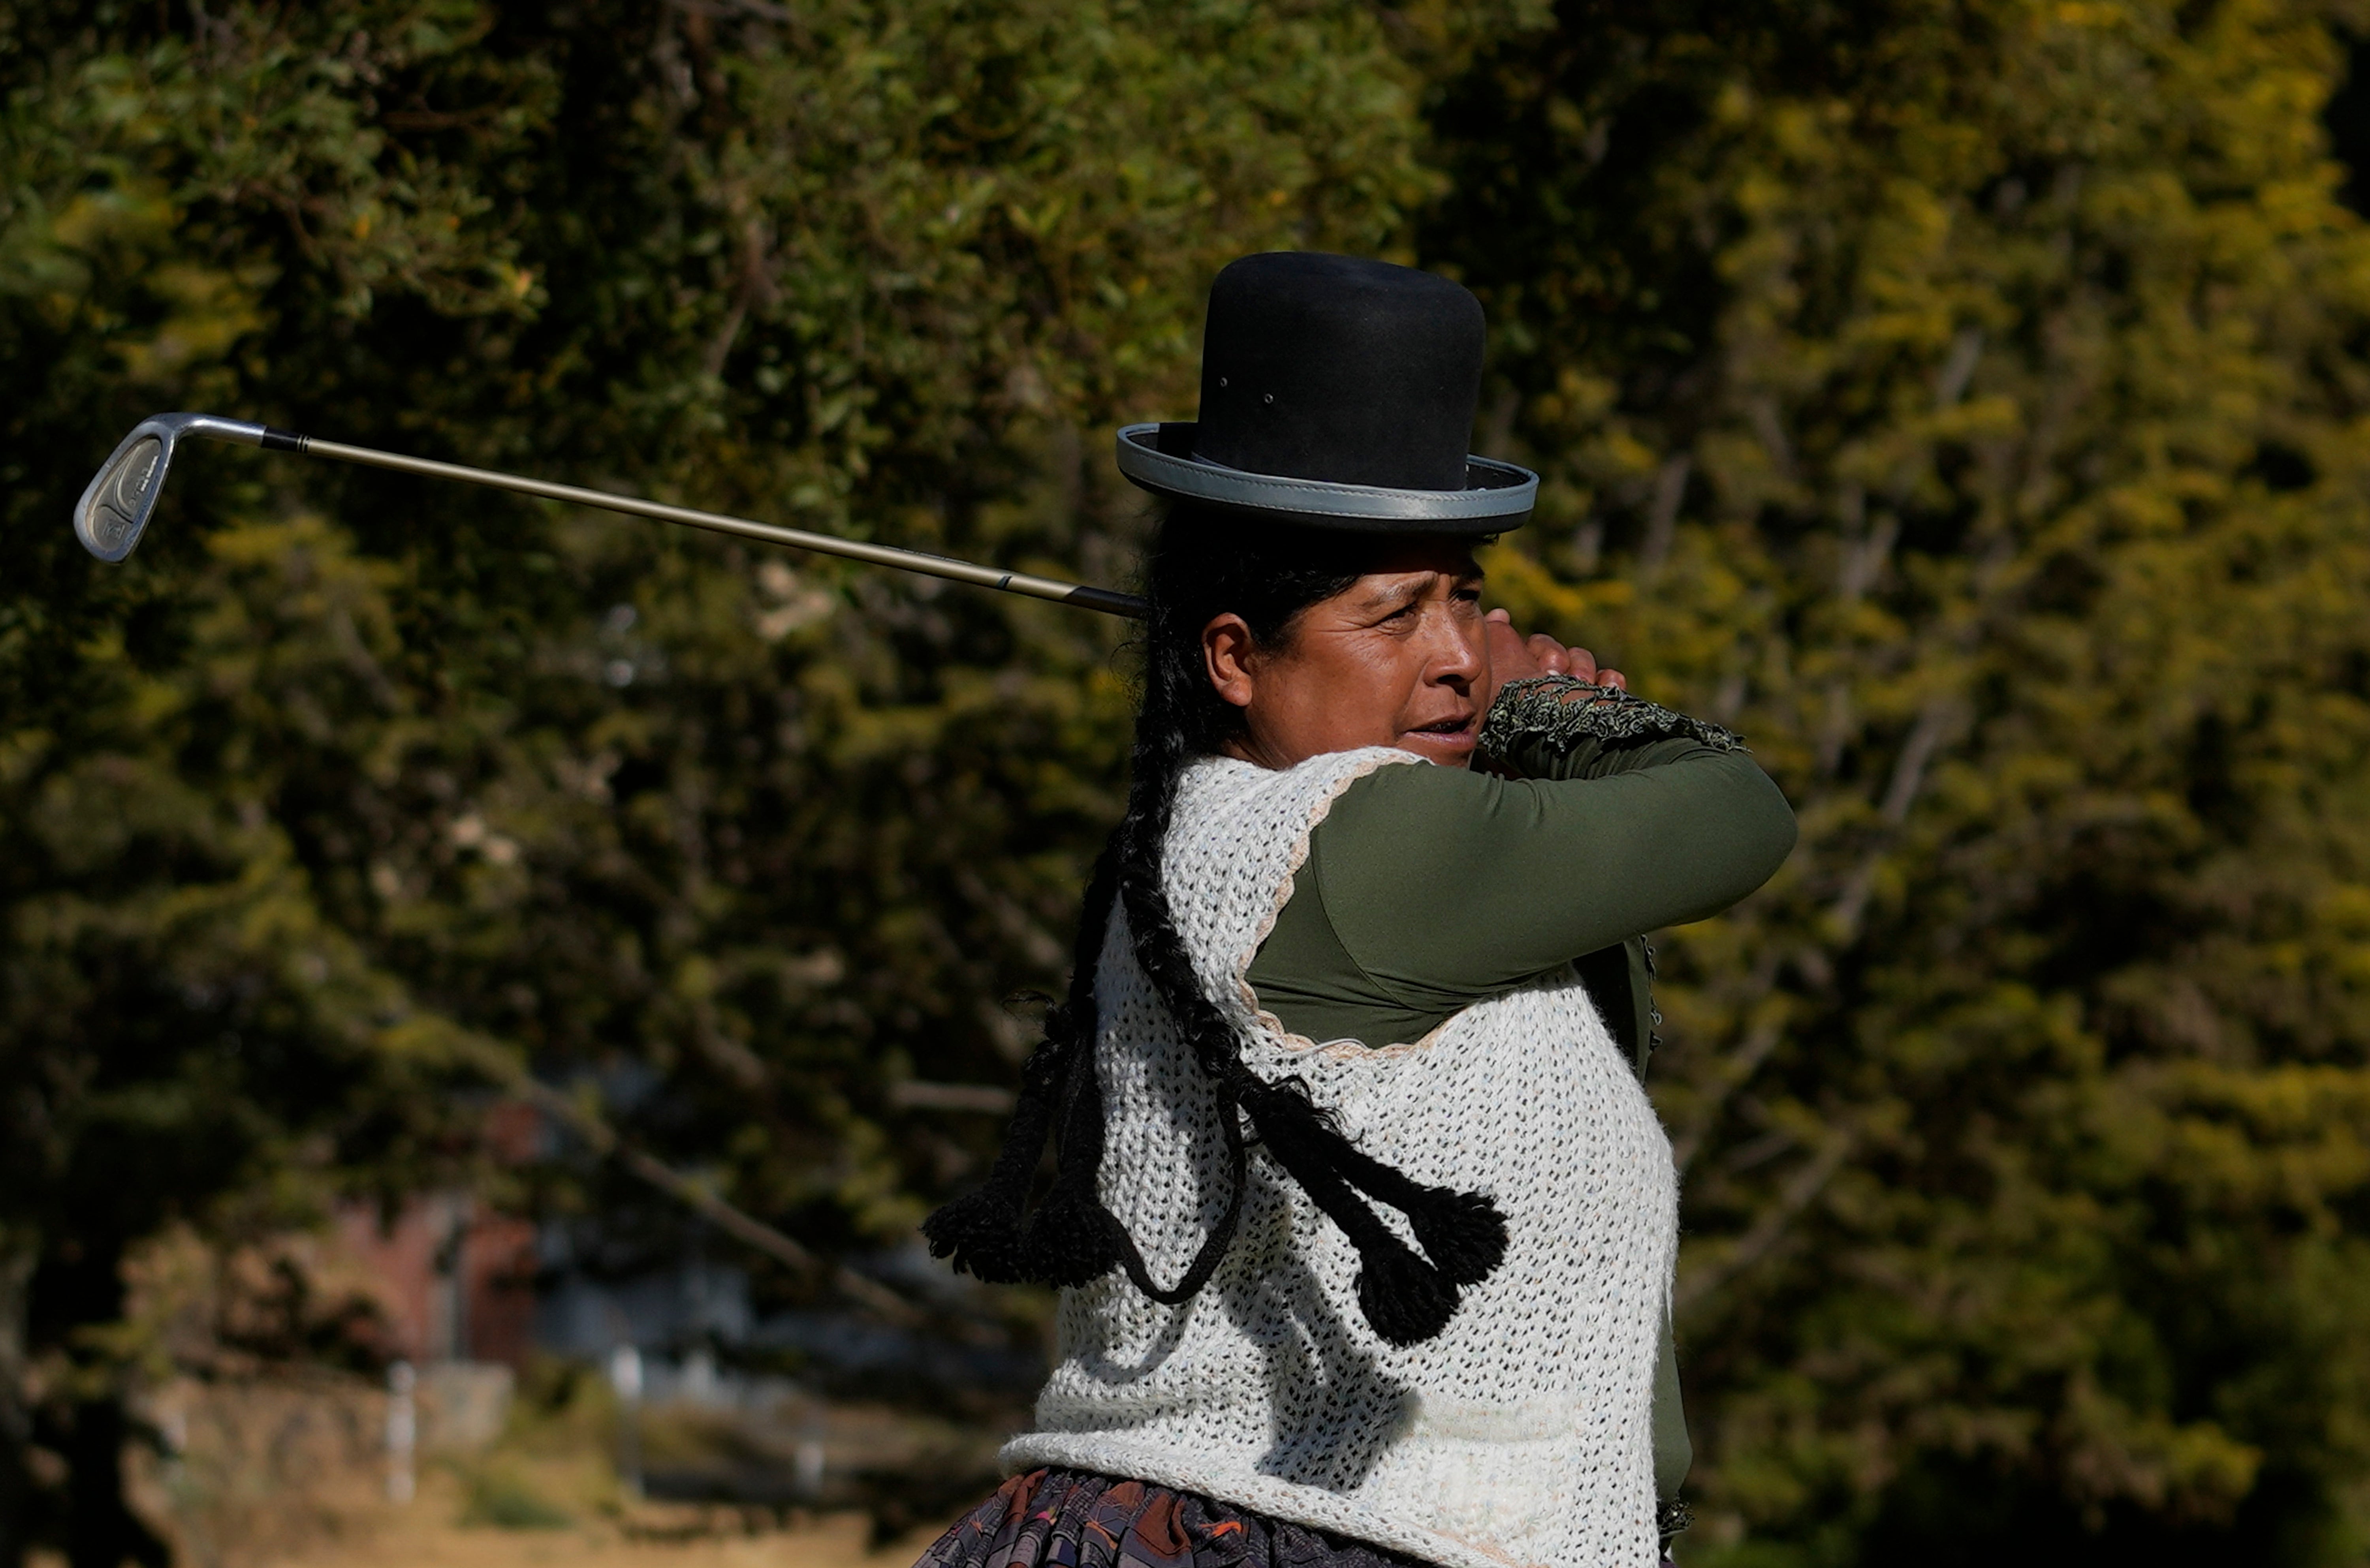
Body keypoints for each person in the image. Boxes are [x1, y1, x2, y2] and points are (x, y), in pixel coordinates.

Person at [917, 253, 1796, 1568]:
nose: (1455, 653)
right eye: (1394, 616)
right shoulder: (1343, 844)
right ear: (1233, 655)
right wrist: (1561, 717)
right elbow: (1738, 815)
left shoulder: (1237, 837)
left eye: (1467, 597)